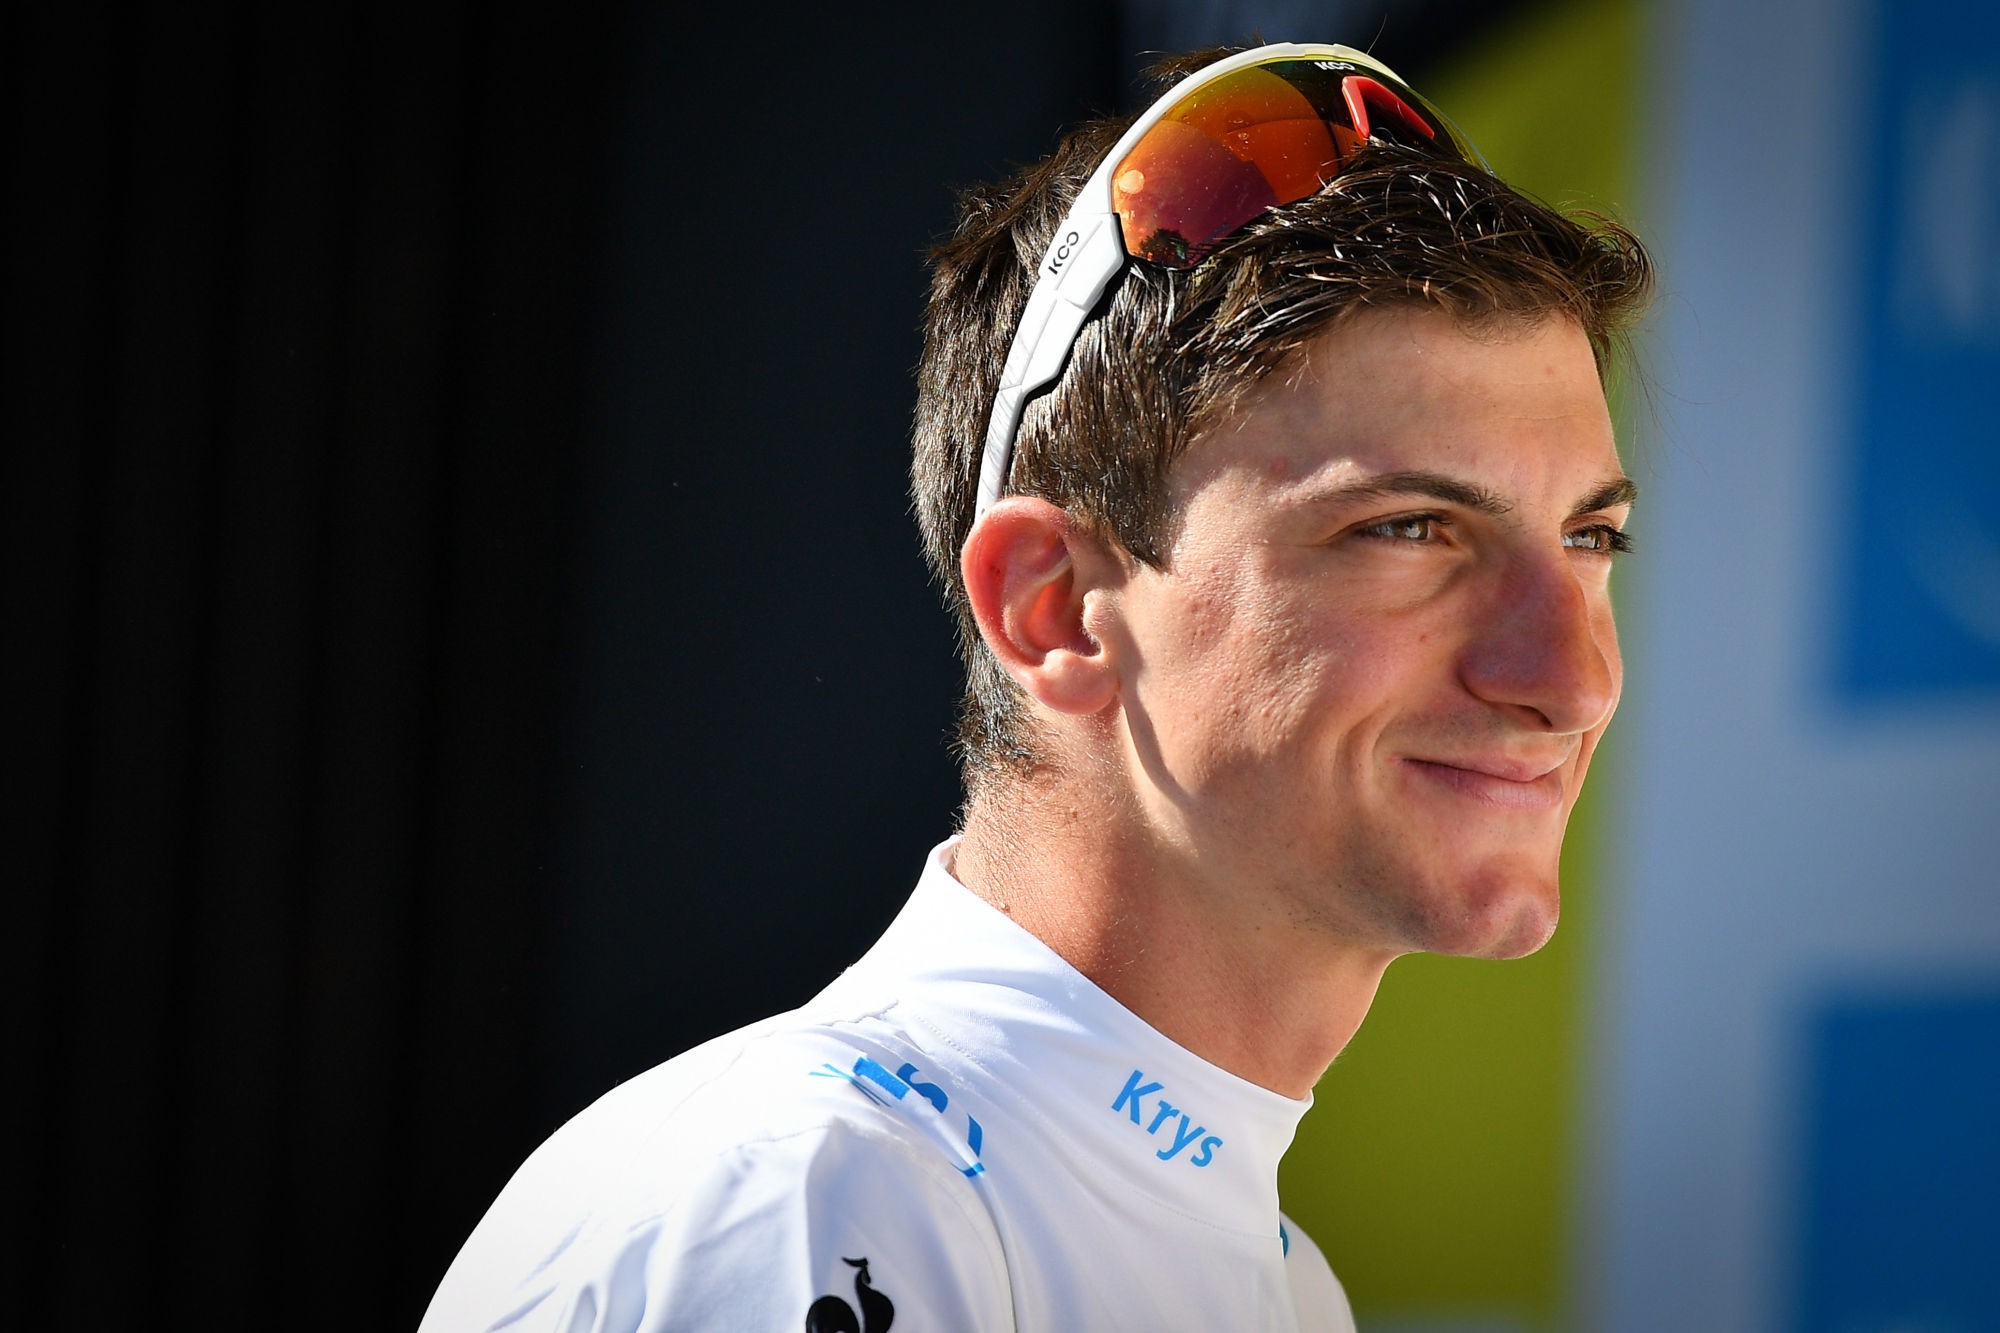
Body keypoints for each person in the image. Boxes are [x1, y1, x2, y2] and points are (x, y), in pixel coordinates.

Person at [420, 40, 1653, 1332]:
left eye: (1591, 539)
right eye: (1409, 530)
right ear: (1053, 606)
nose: (1572, 679)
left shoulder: (1290, 1289)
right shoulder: (812, 1197)